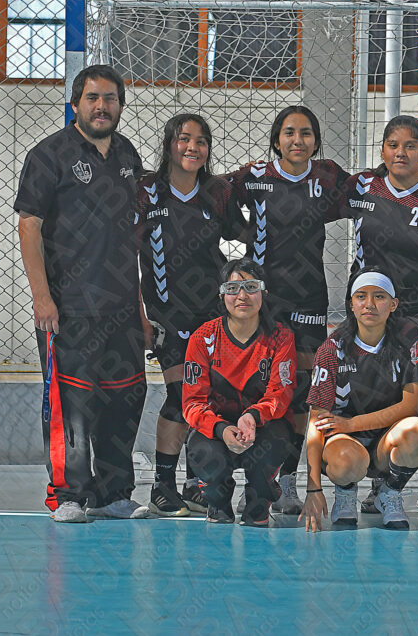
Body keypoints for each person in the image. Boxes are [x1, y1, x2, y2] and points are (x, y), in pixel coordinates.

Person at [15, 65, 149, 523]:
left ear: (120, 106)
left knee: (124, 399)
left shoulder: (128, 156)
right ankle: (68, 494)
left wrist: (141, 309)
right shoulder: (49, 154)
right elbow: (28, 227)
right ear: (75, 104)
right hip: (68, 308)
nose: (101, 106)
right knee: (71, 406)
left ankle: (114, 493)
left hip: (122, 311)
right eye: (92, 98)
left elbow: (130, 238)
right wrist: (41, 297)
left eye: (110, 98)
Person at [341, 116, 418, 516]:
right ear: (382, 150)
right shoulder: (361, 188)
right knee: (375, 392)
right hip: (371, 314)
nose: (401, 152)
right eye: (393, 145)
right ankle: (382, 480)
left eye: (410, 146)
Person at [227, 105, 350, 516]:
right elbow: (212, 199)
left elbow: (375, 192)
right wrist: (242, 234)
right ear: (276, 139)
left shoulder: (328, 177)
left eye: (306, 133)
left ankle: (290, 481)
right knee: (260, 391)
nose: (298, 141)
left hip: (310, 300)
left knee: (302, 394)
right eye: (289, 133)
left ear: (316, 141)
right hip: (264, 301)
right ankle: (255, 480)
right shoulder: (254, 177)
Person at [137, 113, 245, 517]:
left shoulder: (217, 193)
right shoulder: (145, 192)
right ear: (169, 144)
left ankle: (194, 483)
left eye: (201, 141)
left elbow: (244, 237)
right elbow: (123, 253)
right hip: (166, 313)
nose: (192, 148)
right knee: (182, 395)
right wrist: (140, 316)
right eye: (184, 139)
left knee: (207, 396)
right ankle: (161, 487)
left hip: (211, 313)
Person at [299, 270, 418, 531]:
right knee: (347, 460)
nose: (369, 304)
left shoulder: (408, 341)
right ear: (351, 305)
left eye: (379, 297)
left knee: (417, 430)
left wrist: (351, 423)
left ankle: (389, 493)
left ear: (393, 305)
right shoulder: (331, 349)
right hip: (343, 444)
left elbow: (412, 405)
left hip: (383, 440)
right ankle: (345, 494)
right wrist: (313, 487)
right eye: (361, 296)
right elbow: (316, 422)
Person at [182, 258, 297, 527]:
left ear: (264, 293)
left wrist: (253, 417)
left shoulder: (281, 336)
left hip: (263, 428)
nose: (242, 296)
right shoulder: (203, 337)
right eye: (233, 288)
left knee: (273, 446)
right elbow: (192, 403)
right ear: (222, 295)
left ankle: (260, 501)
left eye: (251, 286)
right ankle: (216, 503)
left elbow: (281, 393)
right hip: (218, 431)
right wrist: (221, 428)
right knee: (205, 455)